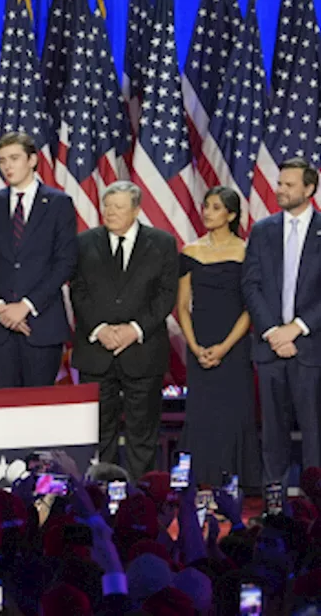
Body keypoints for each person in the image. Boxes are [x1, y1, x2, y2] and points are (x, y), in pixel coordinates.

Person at [69, 181, 178, 481]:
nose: (110, 212)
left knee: (141, 433)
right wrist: (101, 329)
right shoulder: (83, 242)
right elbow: (77, 291)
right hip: (96, 352)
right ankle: (97, 495)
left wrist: (135, 329)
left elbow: (166, 295)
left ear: (137, 210)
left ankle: (138, 498)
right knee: (98, 432)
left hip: (143, 351)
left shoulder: (162, 243)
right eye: (107, 206)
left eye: (118, 207)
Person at [0, 132, 77, 388]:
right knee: (4, 410)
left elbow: (65, 262)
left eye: (14, 158)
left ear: (32, 160)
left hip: (41, 324)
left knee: (38, 409)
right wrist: (0, 307)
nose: (7, 166)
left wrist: (26, 306)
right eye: (3, 160)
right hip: (1, 327)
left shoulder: (58, 203)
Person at [243, 157, 322, 488]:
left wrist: (297, 327)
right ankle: (274, 505)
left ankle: (315, 507)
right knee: (273, 431)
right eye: (279, 183)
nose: (280, 190)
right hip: (270, 347)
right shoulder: (262, 231)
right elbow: (250, 284)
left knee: (315, 433)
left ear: (309, 188)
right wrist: (274, 331)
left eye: (289, 185)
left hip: (310, 347)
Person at [176, 186, 258, 489]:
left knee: (233, 414)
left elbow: (251, 308)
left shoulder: (247, 251)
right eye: (206, 206)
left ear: (231, 214)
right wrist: (195, 346)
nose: (207, 212)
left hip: (234, 345)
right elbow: (182, 305)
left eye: (215, 207)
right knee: (202, 415)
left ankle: (233, 484)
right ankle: (201, 483)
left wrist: (224, 347)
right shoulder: (190, 251)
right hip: (200, 343)